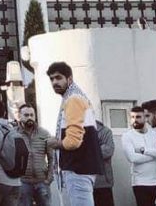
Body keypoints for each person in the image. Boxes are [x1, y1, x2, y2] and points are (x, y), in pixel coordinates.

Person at [45, 62, 102, 206]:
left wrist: (55, 143)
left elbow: (73, 141)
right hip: (82, 167)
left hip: (78, 168)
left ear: (69, 79)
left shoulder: (73, 99)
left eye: (58, 78)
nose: (54, 82)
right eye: (52, 79)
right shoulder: (77, 97)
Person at [120, 107, 156, 206]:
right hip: (140, 182)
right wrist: (154, 155)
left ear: (145, 118)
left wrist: (144, 150)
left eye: (138, 117)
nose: (135, 120)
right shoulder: (127, 136)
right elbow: (132, 158)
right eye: (132, 117)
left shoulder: (155, 135)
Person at [16, 104, 53, 206]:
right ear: (19, 116)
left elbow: (52, 157)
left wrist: (49, 177)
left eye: (32, 115)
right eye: (26, 115)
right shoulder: (14, 134)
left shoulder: (44, 133)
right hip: (23, 182)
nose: (30, 117)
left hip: (42, 182)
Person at [93, 122, 115, 206]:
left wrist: (87, 149)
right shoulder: (76, 131)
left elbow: (108, 151)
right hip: (82, 183)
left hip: (103, 182)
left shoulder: (105, 131)